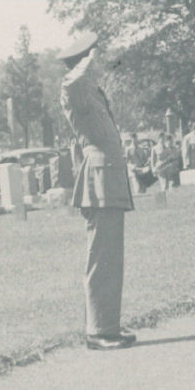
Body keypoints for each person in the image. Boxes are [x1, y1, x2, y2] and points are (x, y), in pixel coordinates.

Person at [58, 32, 136, 350]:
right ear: (85, 60)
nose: (100, 61)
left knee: (110, 256)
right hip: (99, 180)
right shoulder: (75, 87)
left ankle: (107, 323)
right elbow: (69, 83)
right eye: (94, 57)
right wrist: (86, 60)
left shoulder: (92, 89)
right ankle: (99, 330)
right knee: (101, 256)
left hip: (109, 180)